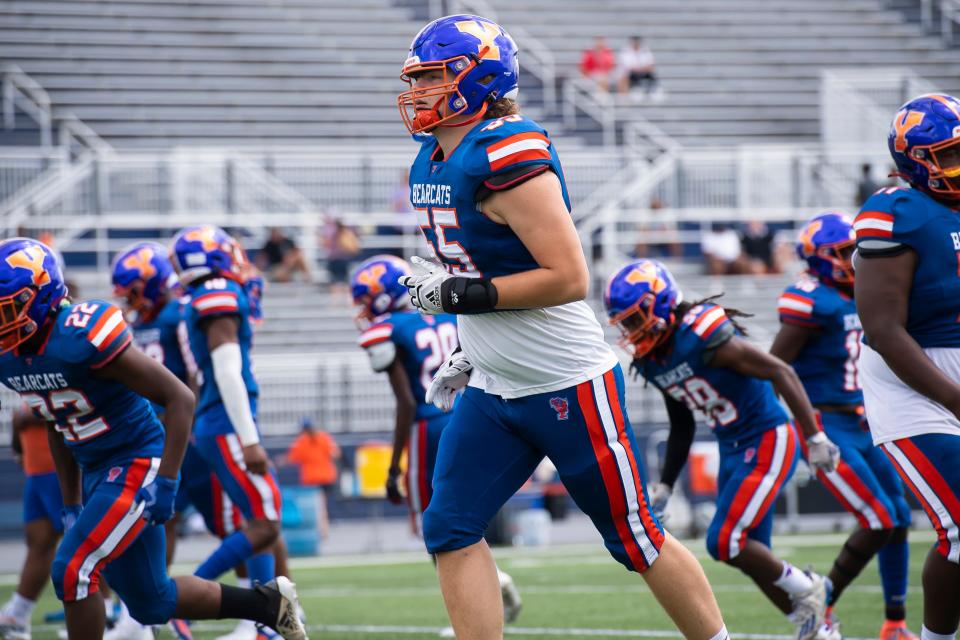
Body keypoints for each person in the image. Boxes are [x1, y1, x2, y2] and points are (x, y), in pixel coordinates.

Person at [395, 15, 728, 640]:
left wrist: (459, 295)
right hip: (495, 386)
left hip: (566, 383)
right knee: (449, 528)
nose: (420, 91)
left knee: (634, 538)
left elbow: (568, 276)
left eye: (435, 76)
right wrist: (469, 347)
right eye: (418, 78)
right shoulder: (433, 158)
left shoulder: (505, 152)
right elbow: (482, 264)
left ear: (478, 77)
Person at [0, 237, 306, 640]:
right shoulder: (13, 357)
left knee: (74, 567)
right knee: (152, 601)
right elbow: (58, 422)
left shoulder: (81, 334)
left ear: (42, 295)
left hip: (135, 461)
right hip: (95, 470)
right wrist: (72, 502)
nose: (4, 319)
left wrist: (166, 481)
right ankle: (266, 605)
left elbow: (179, 396)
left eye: (9, 308)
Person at [604, 258, 841, 640]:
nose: (631, 331)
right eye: (625, 323)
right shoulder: (653, 359)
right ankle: (817, 627)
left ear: (660, 303)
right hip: (732, 446)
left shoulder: (700, 334)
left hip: (767, 436)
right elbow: (681, 424)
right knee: (753, 554)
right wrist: (665, 486)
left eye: (635, 319)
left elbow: (781, 371)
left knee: (724, 541)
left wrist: (814, 436)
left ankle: (811, 586)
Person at [350, 255, 523, 623]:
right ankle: (492, 587)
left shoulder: (388, 329)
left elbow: (406, 402)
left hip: (427, 426)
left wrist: (395, 464)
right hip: (470, 414)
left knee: (438, 525)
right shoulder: (446, 312)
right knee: (459, 517)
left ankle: (480, 601)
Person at [771, 213, 915, 640]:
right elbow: (776, 366)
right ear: (816, 259)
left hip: (863, 419)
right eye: (837, 254)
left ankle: (894, 622)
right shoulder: (810, 300)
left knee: (899, 517)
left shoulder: (861, 291)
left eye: (850, 252)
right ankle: (821, 600)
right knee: (879, 517)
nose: (849, 261)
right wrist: (796, 432)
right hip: (823, 421)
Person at [854, 93, 960, 640]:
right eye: (952, 156)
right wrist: (952, 397)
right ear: (919, 162)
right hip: (913, 384)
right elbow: (883, 328)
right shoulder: (897, 211)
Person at [170, 226, 289, 620]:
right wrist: (250, 439)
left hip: (218, 421)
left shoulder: (204, 295)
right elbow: (228, 373)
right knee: (266, 523)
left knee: (257, 520)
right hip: (225, 423)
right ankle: (184, 598)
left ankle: (264, 621)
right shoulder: (217, 294)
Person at [0, 406, 64, 639]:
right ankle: (18, 612)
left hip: (61, 468)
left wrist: (28, 415)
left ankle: (108, 610)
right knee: (39, 542)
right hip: (36, 469)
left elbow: (65, 400)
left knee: (87, 541)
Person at [283, 418, 341, 539]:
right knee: (321, 504)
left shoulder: (302, 442)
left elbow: (291, 458)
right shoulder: (323, 438)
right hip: (326, 476)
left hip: (312, 479)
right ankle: (322, 528)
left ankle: (322, 529)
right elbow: (335, 453)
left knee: (319, 505)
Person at [617, 35, 660, 100]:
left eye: (638, 42)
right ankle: (634, 92)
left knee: (652, 76)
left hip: (644, 73)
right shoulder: (625, 51)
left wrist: (640, 69)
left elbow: (651, 65)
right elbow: (628, 67)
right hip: (632, 75)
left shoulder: (645, 50)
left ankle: (654, 92)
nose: (636, 43)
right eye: (635, 42)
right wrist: (641, 68)